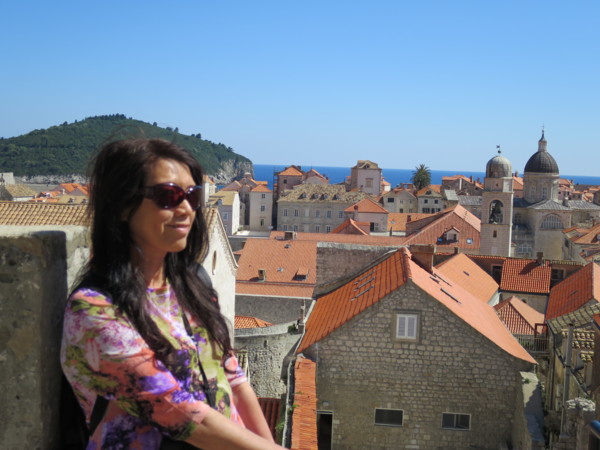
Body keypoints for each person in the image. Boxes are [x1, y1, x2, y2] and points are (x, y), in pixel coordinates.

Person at [60, 138, 283, 449]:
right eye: (168, 196)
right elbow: (177, 411)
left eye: (193, 196)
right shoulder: (94, 311)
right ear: (122, 205)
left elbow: (234, 379)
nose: (186, 208)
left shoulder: (194, 283)